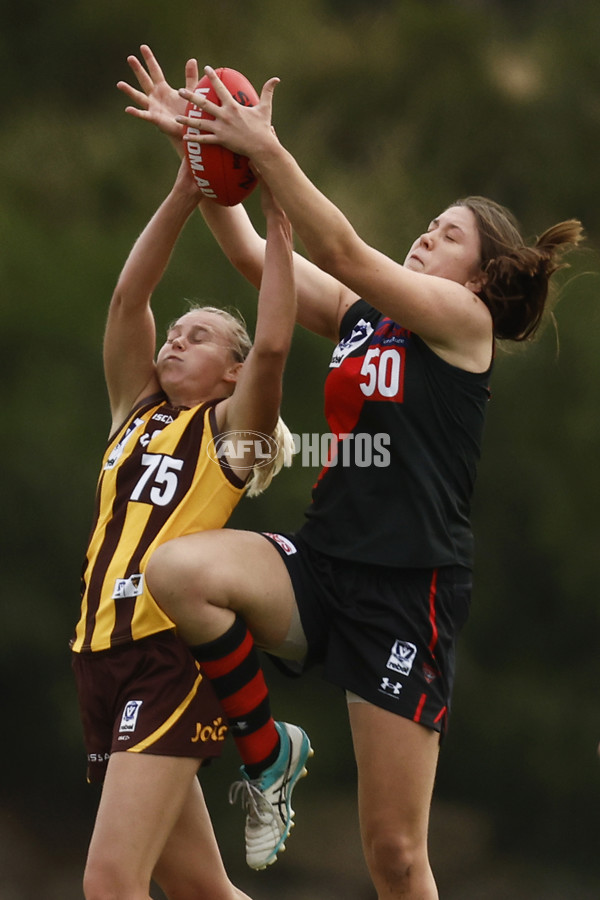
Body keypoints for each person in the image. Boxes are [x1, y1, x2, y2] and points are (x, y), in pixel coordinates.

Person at [120, 50, 583, 899]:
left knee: (395, 858)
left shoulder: (460, 322)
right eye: (429, 224)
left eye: (448, 235)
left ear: (478, 275)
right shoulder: (369, 319)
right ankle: (268, 755)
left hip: (409, 587)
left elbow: (335, 242)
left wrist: (262, 147)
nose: (424, 235)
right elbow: (257, 258)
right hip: (324, 564)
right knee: (178, 572)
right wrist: (202, 155)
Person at [70, 142, 309, 899]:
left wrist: (278, 231)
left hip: (164, 657)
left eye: (197, 336)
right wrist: (183, 188)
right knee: (205, 889)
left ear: (231, 373)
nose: (174, 339)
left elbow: (272, 345)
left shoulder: (228, 435)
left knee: (109, 883)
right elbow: (126, 301)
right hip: (98, 655)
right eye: (175, 333)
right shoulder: (133, 413)